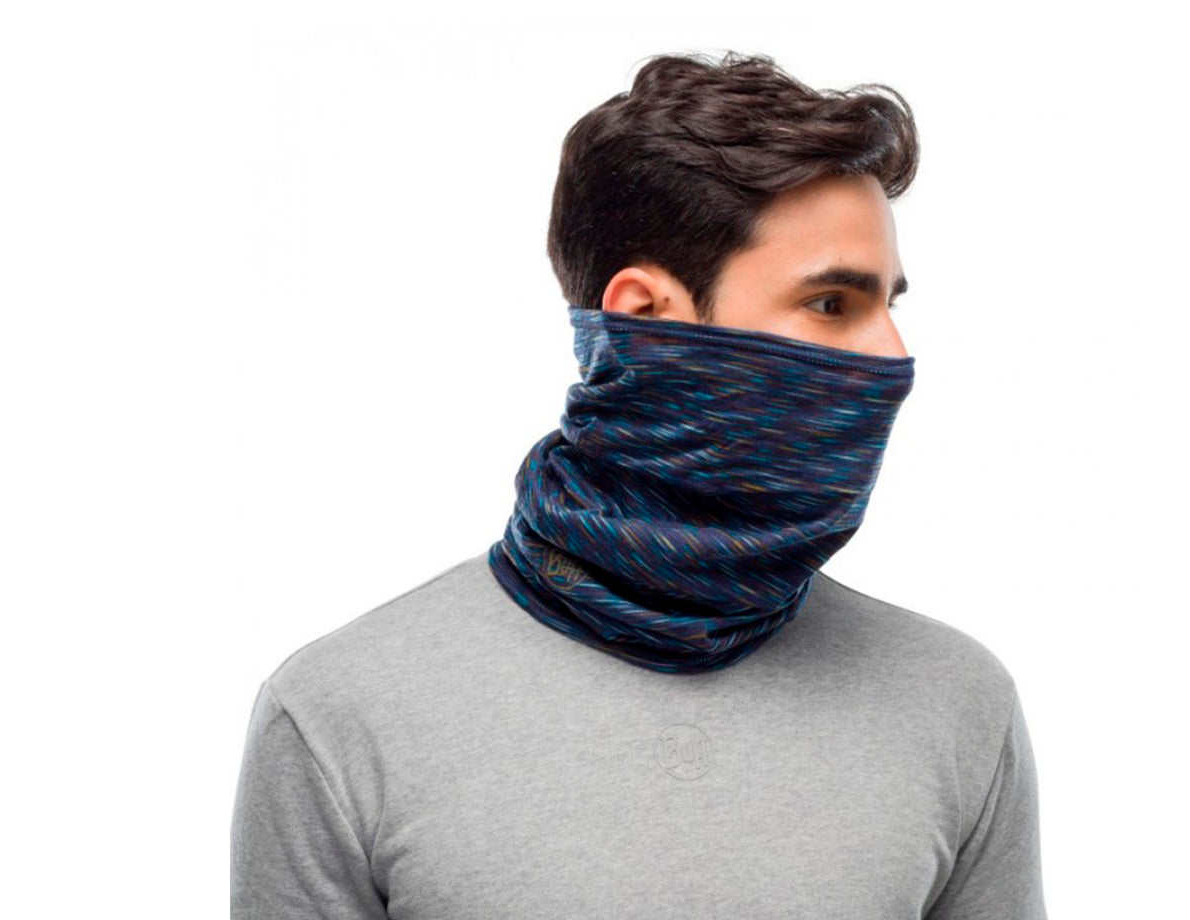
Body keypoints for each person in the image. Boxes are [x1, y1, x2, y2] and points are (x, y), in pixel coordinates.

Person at [231, 50, 1047, 919]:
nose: (893, 356)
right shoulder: (341, 716)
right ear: (646, 320)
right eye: (832, 304)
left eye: (890, 305)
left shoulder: (955, 704)